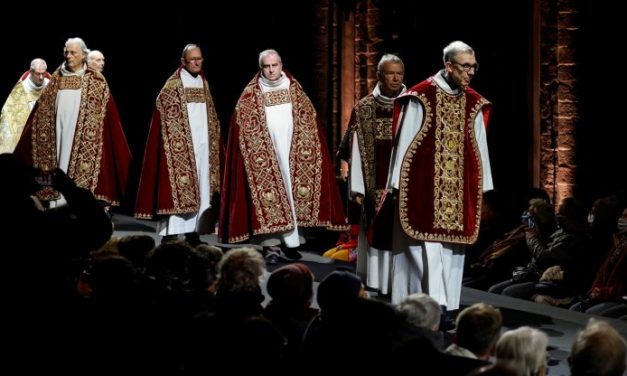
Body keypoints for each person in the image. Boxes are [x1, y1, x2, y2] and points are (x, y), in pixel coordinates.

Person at [369, 41, 493, 309]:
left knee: (451, 252)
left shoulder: (473, 102)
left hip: (457, 192)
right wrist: (395, 186)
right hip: (420, 188)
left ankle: (447, 305)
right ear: (448, 66)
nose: (470, 72)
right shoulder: (421, 96)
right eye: (465, 67)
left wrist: (482, 191)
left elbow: (479, 148)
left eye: (474, 67)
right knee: (418, 251)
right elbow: (404, 145)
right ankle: (415, 307)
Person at [219, 49, 347, 258]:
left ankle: (291, 242)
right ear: (261, 68)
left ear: (281, 65)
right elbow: (240, 126)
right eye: (266, 67)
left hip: (291, 150)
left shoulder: (294, 89)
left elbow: (309, 121)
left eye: (274, 66)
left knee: (290, 192)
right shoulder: (250, 95)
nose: (271, 70)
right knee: (270, 197)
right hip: (265, 154)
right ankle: (271, 245)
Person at [14, 37, 132, 208]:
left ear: (84, 55)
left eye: (73, 53)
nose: (68, 56)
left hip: (83, 141)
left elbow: (109, 119)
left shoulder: (96, 81)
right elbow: (40, 111)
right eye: (66, 52)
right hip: (57, 137)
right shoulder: (56, 78)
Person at [134, 43, 221, 246]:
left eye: (200, 58)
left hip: (202, 146)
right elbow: (162, 115)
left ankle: (194, 233)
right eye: (193, 59)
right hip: (180, 149)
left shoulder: (203, 82)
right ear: (183, 62)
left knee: (201, 187)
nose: (197, 62)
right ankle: (170, 234)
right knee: (177, 192)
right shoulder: (173, 86)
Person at [336, 53, 406, 286]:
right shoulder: (364, 108)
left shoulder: (412, 104)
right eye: (390, 73)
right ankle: (377, 280)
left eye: (399, 73)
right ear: (379, 75)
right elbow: (354, 149)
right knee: (377, 228)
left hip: (403, 183)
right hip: (373, 184)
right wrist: (357, 188)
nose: (396, 78)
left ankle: (401, 281)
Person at [0, 58, 50, 153]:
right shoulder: (21, 88)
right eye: (37, 74)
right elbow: (8, 113)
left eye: (43, 73)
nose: (41, 77)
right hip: (25, 130)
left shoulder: (50, 86)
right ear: (31, 72)